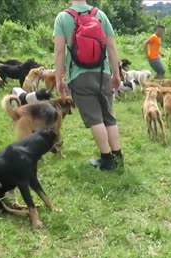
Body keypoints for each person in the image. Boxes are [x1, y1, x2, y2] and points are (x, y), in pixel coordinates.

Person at [53, 0, 123, 171]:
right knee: (109, 116)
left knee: (95, 118)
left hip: (79, 75)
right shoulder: (100, 15)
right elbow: (112, 47)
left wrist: (58, 78)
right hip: (103, 73)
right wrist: (116, 73)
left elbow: (59, 51)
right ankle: (118, 156)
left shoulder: (63, 17)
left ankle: (106, 160)